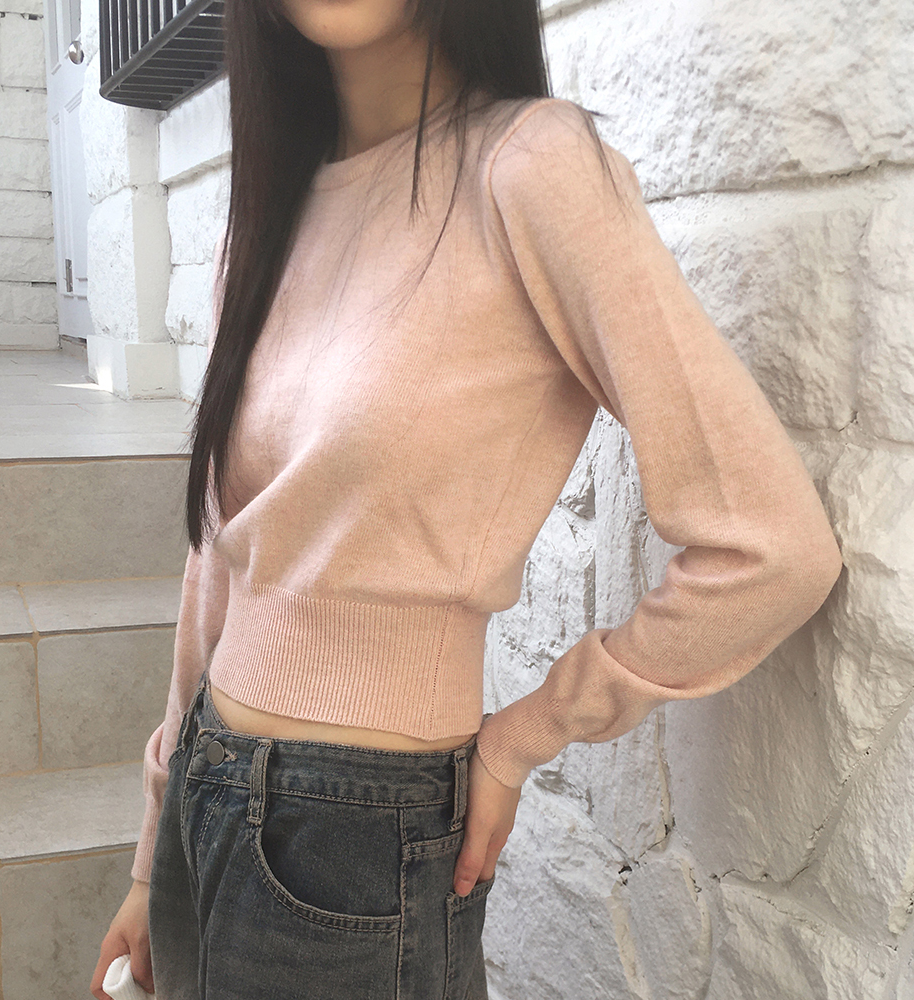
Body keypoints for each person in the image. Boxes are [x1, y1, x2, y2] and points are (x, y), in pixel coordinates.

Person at [91, 0, 844, 997]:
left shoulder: (529, 168)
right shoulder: (268, 215)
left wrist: (520, 740)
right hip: (208, 789)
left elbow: (771, 545)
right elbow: (219, 558)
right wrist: (155, 853)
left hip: (351, 835)